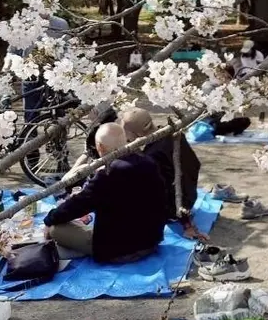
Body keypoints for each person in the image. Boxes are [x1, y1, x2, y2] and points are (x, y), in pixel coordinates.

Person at [41, 122, 167, 263]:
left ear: (100, 147)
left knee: (55, 229)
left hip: (118, 250)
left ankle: (80, 248)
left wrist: (50, 219)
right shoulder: (148, 162)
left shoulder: (109, 173)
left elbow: (78, 205)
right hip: (151, 241)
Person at [120, 107, 207, 241]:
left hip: (175, 208)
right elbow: (195, 164)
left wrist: (186, 223)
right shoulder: (172, 133)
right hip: (190, 194)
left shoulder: (153, 156)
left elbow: (163, 190)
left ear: (137, 133)